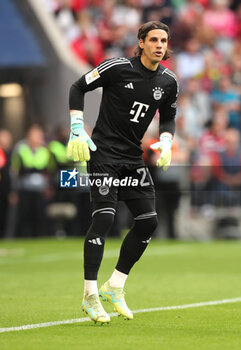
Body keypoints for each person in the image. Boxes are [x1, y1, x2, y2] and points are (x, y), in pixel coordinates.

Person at [67, 21, 178, 324]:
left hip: (133, 158)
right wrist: (77, 127)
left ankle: (115, 286)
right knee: (104, 217)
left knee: (148, 221)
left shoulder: (169, 81)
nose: (159, 45)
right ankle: (90, 295)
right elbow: (78, 87)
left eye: (164, 40)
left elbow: (168, 116)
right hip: (103, 153)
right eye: (153, 39)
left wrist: (167, 140)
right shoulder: (117, 67)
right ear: (141, 42)